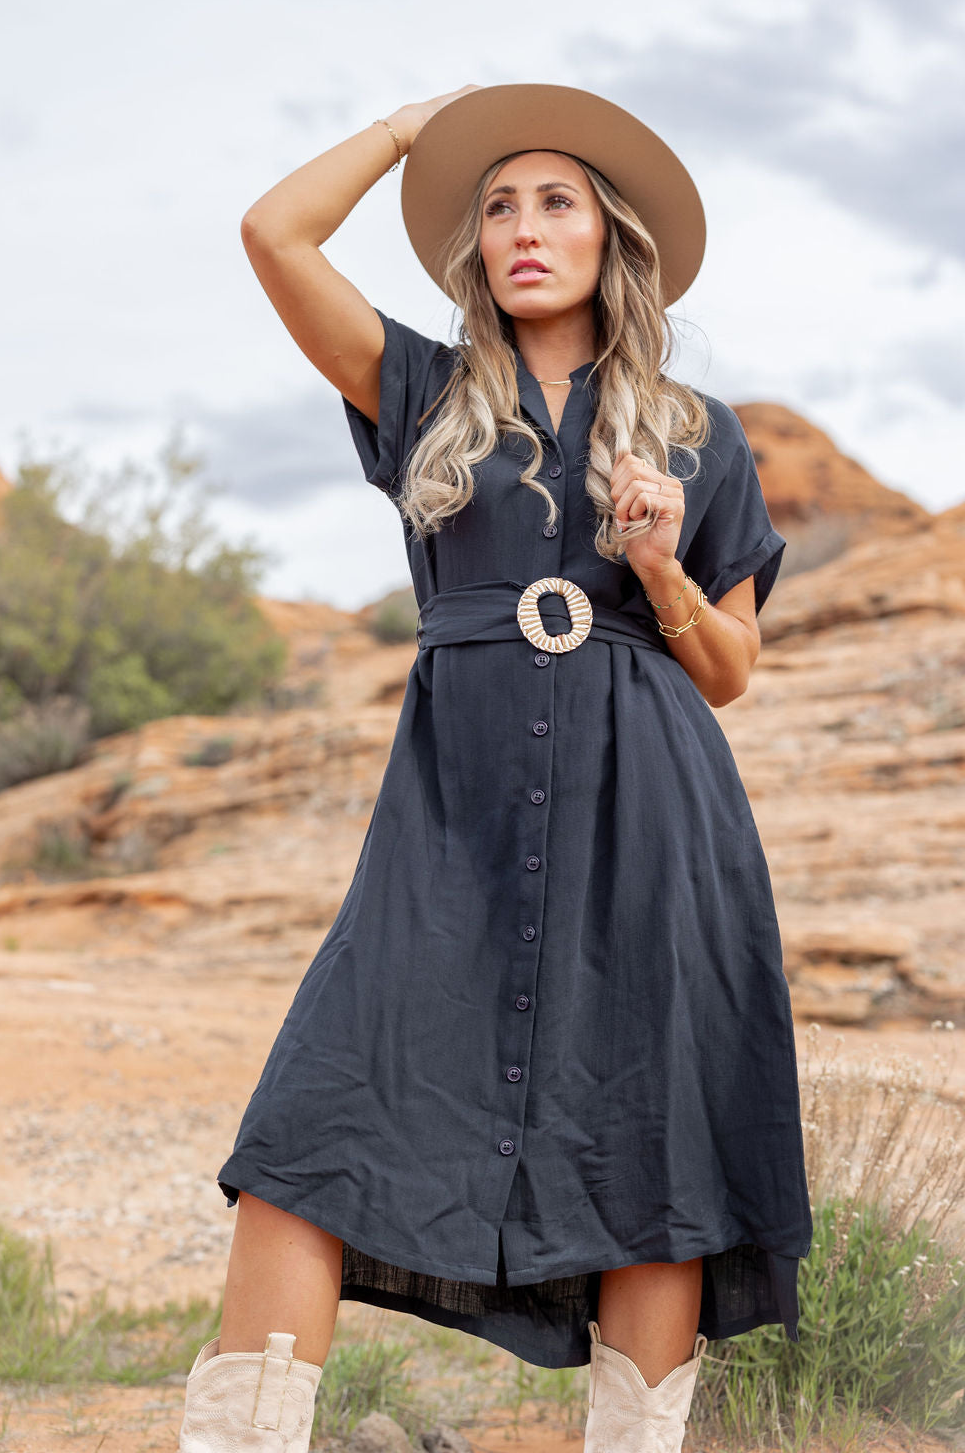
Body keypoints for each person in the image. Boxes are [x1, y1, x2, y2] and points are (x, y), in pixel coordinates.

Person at [177, 83, 813, 1453]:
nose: (524, 228)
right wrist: (413, 132)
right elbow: (275, 234)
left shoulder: (701, 436)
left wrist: (659, 568)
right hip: (450, 818)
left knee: (652, 1148)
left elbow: (729, 670)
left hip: (650, 814)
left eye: (556, 202)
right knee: (314, 1122)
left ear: (611, 238)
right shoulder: (424, 391)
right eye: (499, 206)